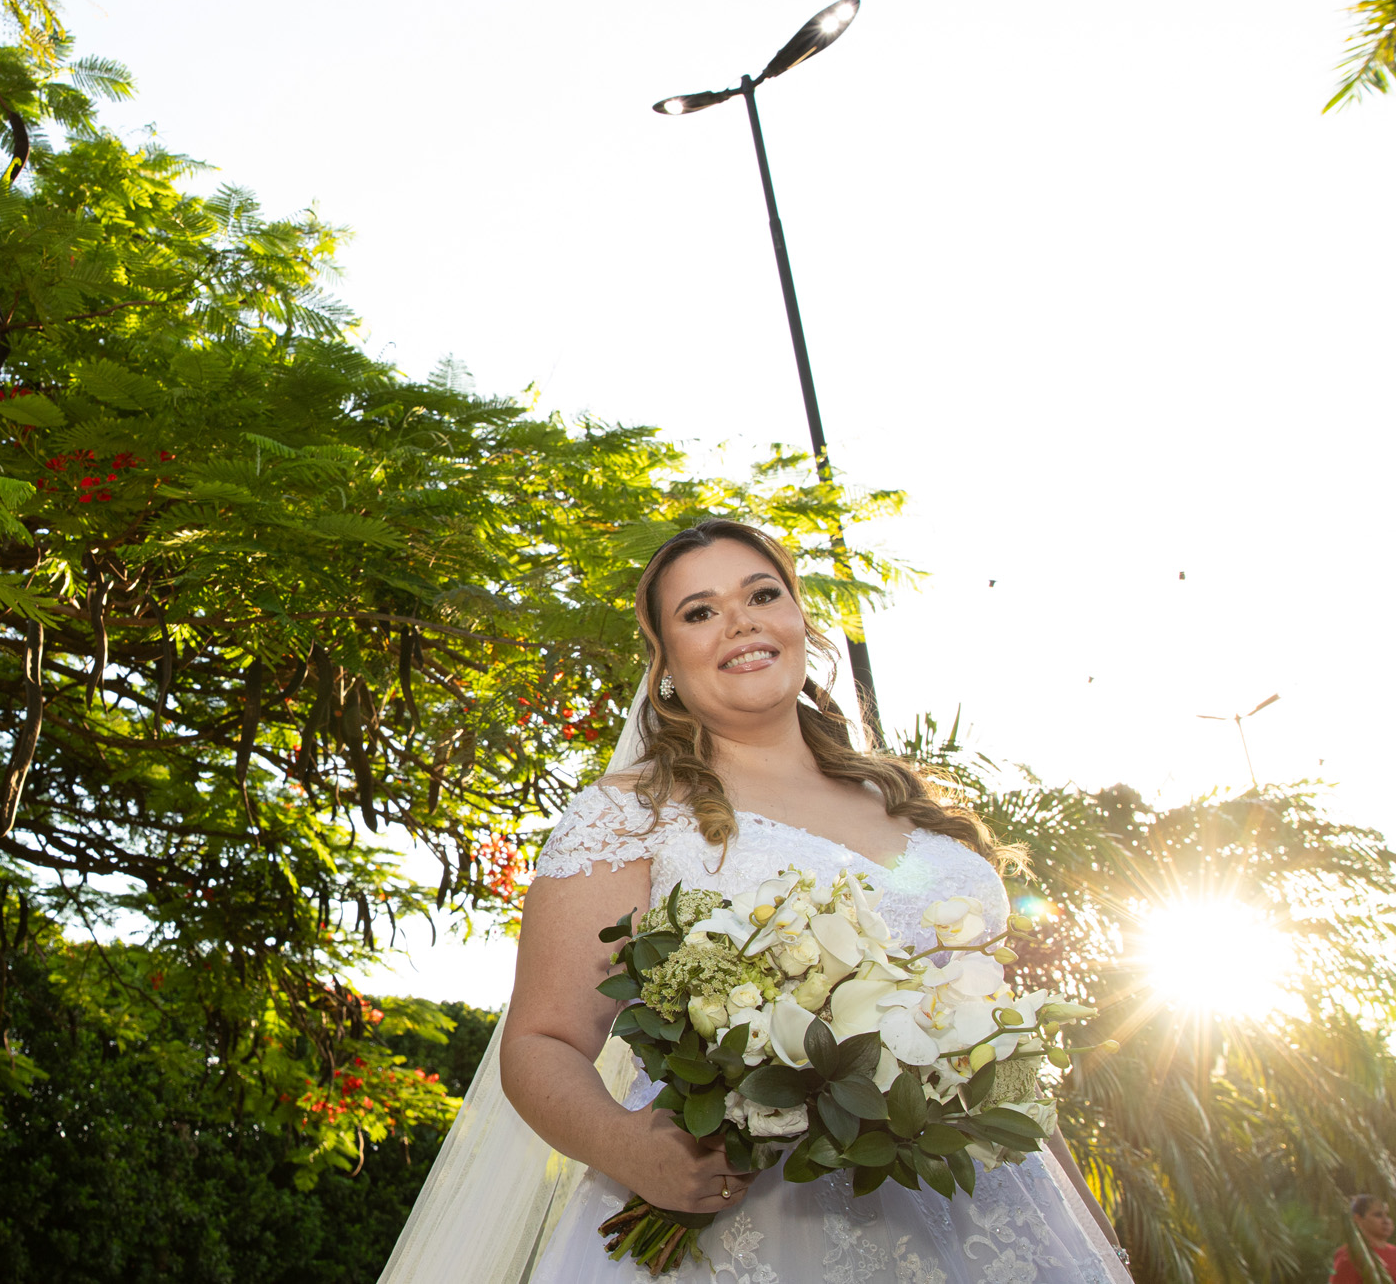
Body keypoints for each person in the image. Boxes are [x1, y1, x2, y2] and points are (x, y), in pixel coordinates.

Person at [378, 519, 1131, 1284]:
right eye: (699, 611)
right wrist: (632, 1148)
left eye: (762, 594)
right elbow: (541, 1038)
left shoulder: (909, 803)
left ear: (800, 619)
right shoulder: (629, 817)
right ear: (666, 665)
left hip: (988, 1216)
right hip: (752, 1228)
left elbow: (992, 1052)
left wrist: (1081, 1217)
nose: (739, 620)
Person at [1332, 1195, 1396, 1283]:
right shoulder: (1350, 1255)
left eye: (1388, 1215)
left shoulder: (1394, 1252)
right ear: (1357, 1218)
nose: (1386, 1221)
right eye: (1378, 1215)